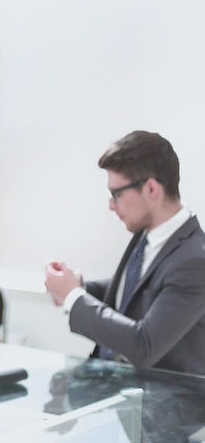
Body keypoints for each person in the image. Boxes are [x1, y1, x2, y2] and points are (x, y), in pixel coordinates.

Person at [44, 130, 205, 374]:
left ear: (151, 189)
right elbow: (138, 292)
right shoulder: (146, 234)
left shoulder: (195, 260)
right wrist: (81, 287)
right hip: (116, 390)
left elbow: (144, 346)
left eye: (116, 194)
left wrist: (73, 297)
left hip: (165, 407)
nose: (110, 205)